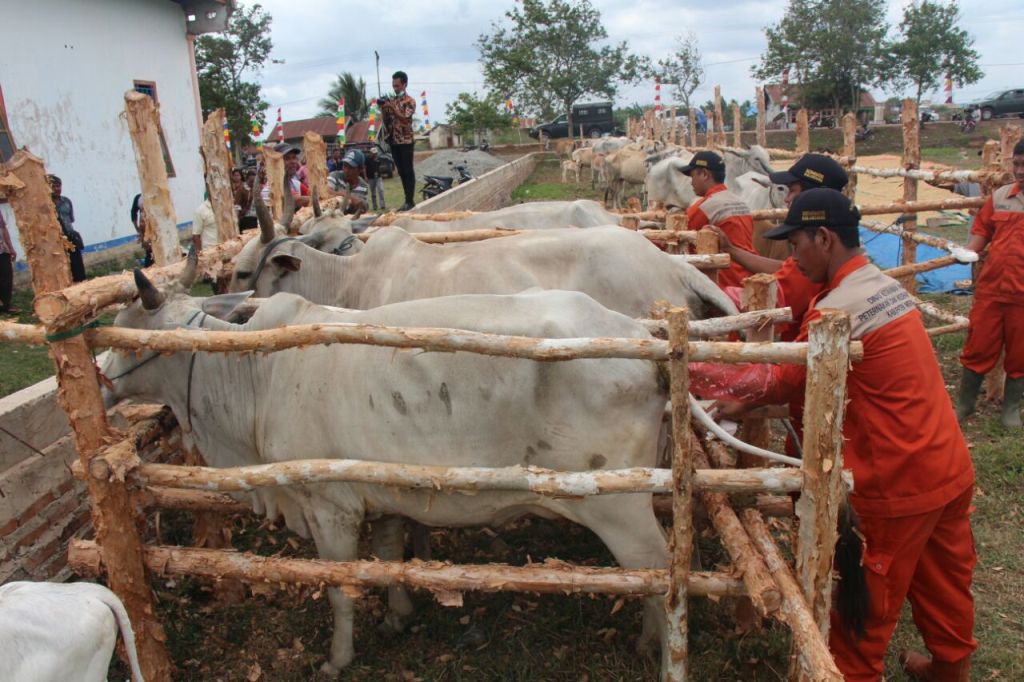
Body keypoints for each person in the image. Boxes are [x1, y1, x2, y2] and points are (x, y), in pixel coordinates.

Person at [691, 188, 977, 682]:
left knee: (862, 611)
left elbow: (778, 377)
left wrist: (688, 369)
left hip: (894, 484)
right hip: (945, 466)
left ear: (823, 238)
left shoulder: (837, 311)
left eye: (796, 243)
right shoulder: (882, 286)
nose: (791, 256)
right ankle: (949, 669)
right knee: (945, 581)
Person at [714, 153, 849, 341]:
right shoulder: (835, 244)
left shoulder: (816, 252)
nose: (786, 199)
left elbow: (771, 299)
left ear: (813, 195)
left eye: (792, 191)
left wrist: (712, 296)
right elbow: (788, 268)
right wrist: (732, 250)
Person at [956, 139, 1024, 427]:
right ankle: (965, 404)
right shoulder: (1000, 197)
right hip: (992, 291)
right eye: (1016, 164)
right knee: (978, 347)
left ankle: (1011, 410)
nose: (1019, 170)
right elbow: (982, 231)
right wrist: (966, 251)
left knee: (1021, 353)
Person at [678, 151, 755, 289]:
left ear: (704, 174)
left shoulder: (706, 207)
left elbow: (677, 237)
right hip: (748, 276)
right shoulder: (740, 203)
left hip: (724, 281)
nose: (691, 182)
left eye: (693, 175)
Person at [379, 70, 417, 211]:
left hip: (406, 141)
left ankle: (410, 200)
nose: (395, 88)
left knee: (408, 170)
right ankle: (407, 200)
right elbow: (386, 121)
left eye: (397, 86)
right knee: (400, 171)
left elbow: (405, 119)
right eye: (393, 86)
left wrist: (392, 107)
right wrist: (384, 109)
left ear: (404, 85)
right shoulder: (392, 101)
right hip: (394, 141)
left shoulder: (410, 101)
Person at [48, 175, 86, 282]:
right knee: (62, 270)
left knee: (78, 267)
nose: (57, 189)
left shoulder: (66, 201)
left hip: (70, 237)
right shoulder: (46, 205)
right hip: (55, 241)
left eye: (59, 186)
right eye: (54, 186)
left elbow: (71, 219)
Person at [327, 149, 369, 218]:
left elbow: (363, 207)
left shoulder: (363, 186)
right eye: (345, 166)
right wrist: (345, 195)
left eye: (351, 168)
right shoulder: (335, 176)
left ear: (360, 169)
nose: (346, 170)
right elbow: (326, 192)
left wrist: (359, 204)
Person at [0, 211, 17, 315]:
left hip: (2, 249)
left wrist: (11, 248)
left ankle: (6, 306)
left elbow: (3, 229)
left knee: (7, 277)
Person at [130, 193, 154, 267]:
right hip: (146, 231)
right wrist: (139, 231)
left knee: (152, 253)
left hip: (155, 230)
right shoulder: (140, 198)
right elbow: (133, 213)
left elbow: (133, 213)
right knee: (150, 252)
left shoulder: (159, 195)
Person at [365, 147, 386, 212]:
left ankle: (382, 205)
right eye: (373, 153)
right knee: (373, 193)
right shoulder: (367, 159)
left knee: (381, 190)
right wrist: (365, 176)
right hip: (371, 177)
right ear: (370, 153)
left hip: (378, 177)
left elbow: (379, 166)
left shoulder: (378, 158)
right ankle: (374, 206)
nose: (375, 155)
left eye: (376, 153)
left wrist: (380, 173)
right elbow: (364, 168)